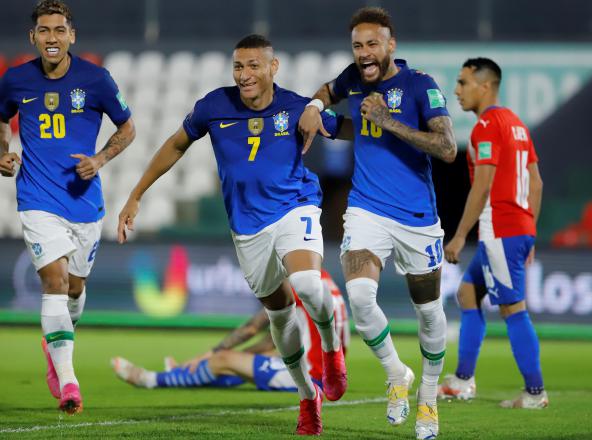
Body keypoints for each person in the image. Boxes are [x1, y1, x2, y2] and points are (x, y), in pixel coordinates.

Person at [117, 34, 349, 435]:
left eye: (254, 66)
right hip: (247, 228)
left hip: (295, 208)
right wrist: (136, 195)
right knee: (279, 318)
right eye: (239, 67)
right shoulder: (214, 105)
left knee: (309, 285)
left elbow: (348, 130)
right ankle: (307, 396)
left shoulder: (296, 107)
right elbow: (175, 144)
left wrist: (386, 126)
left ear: (273, 68)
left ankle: (331, 355)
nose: (245, 75)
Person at [298, 7, 457, 439]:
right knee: (360, 298)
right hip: (367, 209)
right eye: (357, 45)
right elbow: (331, 93)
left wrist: (388, 120)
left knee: (428, 312)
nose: (364, 53)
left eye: (372, 44)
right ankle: (396, 374)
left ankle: (427, 395)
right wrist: (316, 108)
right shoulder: (354, 77)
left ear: (391, 45)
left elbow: (446, 147)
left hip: (417, 219)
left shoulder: (420, 85)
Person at [0, 0, 135, 414]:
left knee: (75, 288)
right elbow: (1, 120)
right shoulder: (15, 80)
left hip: (84, 203)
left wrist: (99, 160)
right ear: (33, 37)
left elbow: (127, 128)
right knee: (54, 283)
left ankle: (54, 344)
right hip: (37, 198)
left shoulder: (96, 80)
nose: (52, 38)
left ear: (71, 35)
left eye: (59, 30)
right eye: (44, 31)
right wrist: (2, 150)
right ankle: (70, 383)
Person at [440, 58, 547, 409]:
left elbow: (482, 185)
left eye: (463, 82)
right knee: (468, 293)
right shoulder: (516, 124)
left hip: (501, 228)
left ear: (485, 86)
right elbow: (536, 183)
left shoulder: (485, 125)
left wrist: (458, 236)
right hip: (517, 228)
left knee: (513, 309)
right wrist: (530, 229)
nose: (457, 90)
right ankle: (462, 381)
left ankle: (535, 394)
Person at [113, 271, 349, 394]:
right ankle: (185, 371)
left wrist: (210, 354)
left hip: (311, 377)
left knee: (224, 359)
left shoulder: (295, 285)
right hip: (328, 370)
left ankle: (151, 379)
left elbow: (251, 328)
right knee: (249, 358)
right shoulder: (325, 281)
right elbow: (275, 340)